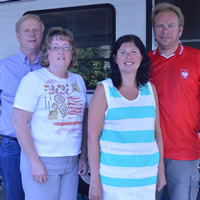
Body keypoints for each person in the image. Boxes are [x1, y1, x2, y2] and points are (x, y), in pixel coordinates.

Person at [12, 27, 88, 200]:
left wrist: (83, 155)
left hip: (71, 160)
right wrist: (34, 162)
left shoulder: (78, 80)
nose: (61, 51)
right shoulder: (34, 79)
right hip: (43, 159)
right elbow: (18, 122)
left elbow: (83, 120)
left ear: (72, 52)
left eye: (66, 47)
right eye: (55, 47)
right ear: (47, 52)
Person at [88, 34, 166, 200]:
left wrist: (161, 171)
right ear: (115, 58)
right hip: (114, 178)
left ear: (141, 57)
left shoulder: (150, 89)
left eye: (133, 51)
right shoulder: (104, 90)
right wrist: (95, 180)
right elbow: (92, 139)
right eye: (123, 52)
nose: (128, 56)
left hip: (146, 174)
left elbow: (157, 133)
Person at [148, 3, 200, 200]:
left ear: (180, 30)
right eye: (160, 26)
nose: (165, 31)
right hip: (149, 152)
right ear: (154, 30)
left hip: (184, 153)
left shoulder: (197, 59)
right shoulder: (144, 63)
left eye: (170, 25)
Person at [0, 14, 44, 200]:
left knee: (42, 195)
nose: (31, 35)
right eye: (27, 31)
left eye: (36, 30)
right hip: (12, 146)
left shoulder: (51, 67)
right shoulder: (2, 67)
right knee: (15, 196)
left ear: (42, 34)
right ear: (18, 36)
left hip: (44, 146)